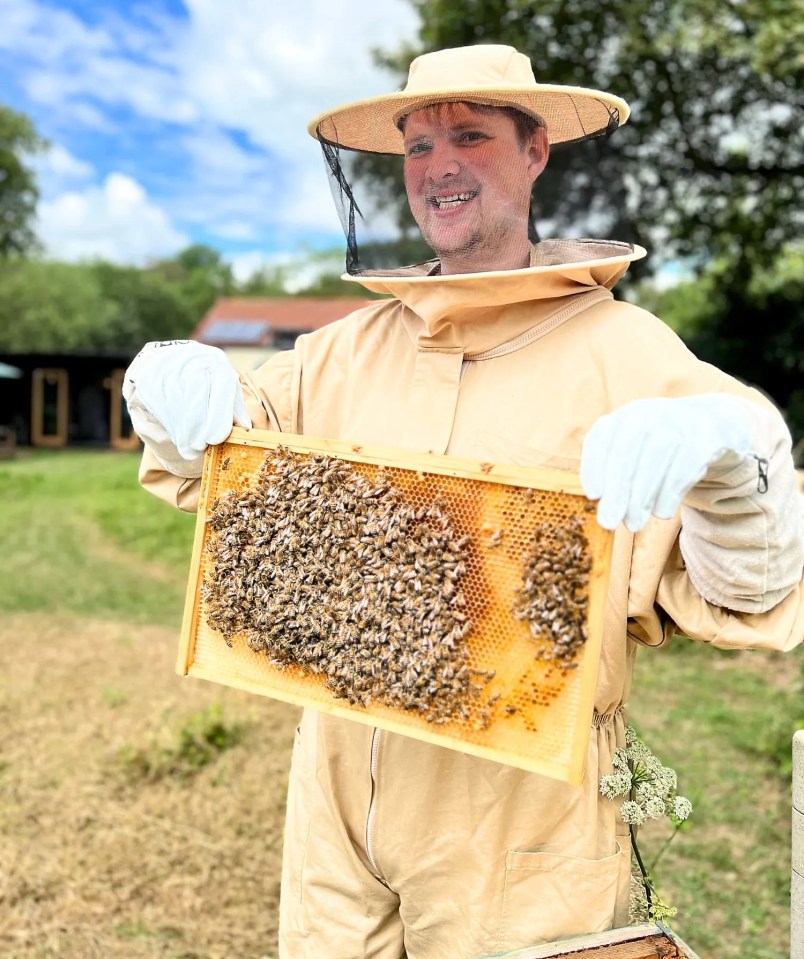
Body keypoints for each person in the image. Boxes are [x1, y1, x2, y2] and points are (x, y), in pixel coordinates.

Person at [123, 44, 804, 959]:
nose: (438, 165)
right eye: (416, 146)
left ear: (536, 153)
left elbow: (750, 590)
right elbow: (218, 459)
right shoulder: (343, 348)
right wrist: (164, 390)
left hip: (523, 821)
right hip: (333, 798)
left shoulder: (631, 353)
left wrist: (733, 459)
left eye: (471, 135)